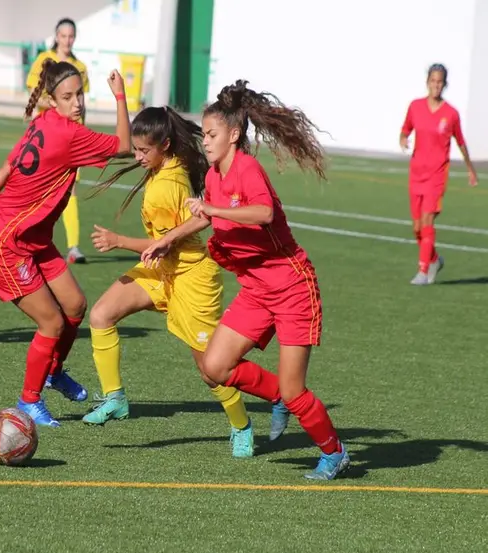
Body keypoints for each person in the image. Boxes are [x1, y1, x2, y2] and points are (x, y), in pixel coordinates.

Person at [142, 79, 349, 480]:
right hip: (257, 289)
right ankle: (280, 399)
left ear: (234, 135)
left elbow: (264, 213)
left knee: (295, 389)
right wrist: (167, 240)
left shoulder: (247, 168)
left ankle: (334, 452)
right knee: (216, 367)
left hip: (291, 286)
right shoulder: (216, 178)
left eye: (214, 135)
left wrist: (216, 210)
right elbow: (204, 215)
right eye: (204, 135)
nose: (206, 142)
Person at [0, 60, 130, 427]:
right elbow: (125, 145)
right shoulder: (70, 135)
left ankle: (53, 373)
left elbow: (6, 167)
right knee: (51, 322)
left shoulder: (43, 123)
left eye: (80, 95)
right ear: (52, 102)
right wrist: (120, 96)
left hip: (31, 238)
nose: (77, 103)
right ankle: (29, 400)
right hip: (5, 243)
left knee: (75, 304)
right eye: (68, 97)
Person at [84, 106, 254, 458]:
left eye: (144, 151)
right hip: (162, 271)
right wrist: (120, 96)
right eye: (136, 148)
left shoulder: (166, 186)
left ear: (164, 145)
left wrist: (119, 242)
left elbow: (162, 244)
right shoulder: (169, 162)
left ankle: (241, 426)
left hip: (191, 276)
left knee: (211, 370)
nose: (137, 156)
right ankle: (115, 397)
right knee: (101, 315)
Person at [400, 63, 478, 286]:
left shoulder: (451, 114)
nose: (436, 85)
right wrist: (403, 139)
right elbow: (405, 129)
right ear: (428, 82)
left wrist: (471, 170)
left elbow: (461, 143)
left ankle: (423, 272)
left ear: (445, 84)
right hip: (416, 174)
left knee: (427, 222)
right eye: (433, 81)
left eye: (440, 82)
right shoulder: (415, 106)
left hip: (436, 176)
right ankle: (434, 259)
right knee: (416, 228)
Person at [26, 18, 90, 264]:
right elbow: (33, 95)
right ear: (56, 36)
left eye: (71, 36)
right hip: (48, 137)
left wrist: (84, 134)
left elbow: (82, 105)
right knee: (40, 187)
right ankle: (30, 238)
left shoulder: (80, 66)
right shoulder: (44, 60)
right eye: (63, 36)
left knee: (70, 189)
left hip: (72, 138)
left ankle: (73, 247)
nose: (67, 40)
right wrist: (55, 103)